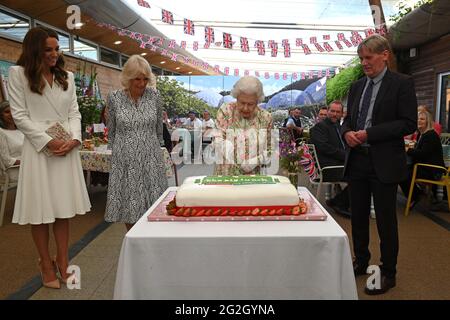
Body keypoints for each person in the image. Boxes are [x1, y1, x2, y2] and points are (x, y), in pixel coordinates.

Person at [8, 27, 91, 289]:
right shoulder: (18, 74)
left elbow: (74, 113)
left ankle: (63, 261)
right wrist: (48, 141)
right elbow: (19, 116)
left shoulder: (66, 76)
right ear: (35, 50)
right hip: (40, 150)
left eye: (57, 49)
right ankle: (45, 263)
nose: (54, 54)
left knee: (63, 210)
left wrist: (74, 139)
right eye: (48, 50)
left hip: (66, 148)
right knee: (41, 211)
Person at [342, 34, 417, 295]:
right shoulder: (356, 87)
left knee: (386, 221)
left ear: (385, 55)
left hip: (383, 162)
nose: (364, 62)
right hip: (357, 161)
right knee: (358, 217)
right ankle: (361, 261)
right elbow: (347, 121)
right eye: (361, 58)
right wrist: (347, 133)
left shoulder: (402, 84)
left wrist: (369, 135)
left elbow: (409, 123)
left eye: (369, 57)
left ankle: (388, 273)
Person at [105, 54, 168, 231]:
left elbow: (158, 128)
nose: (141, 83)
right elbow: (113, 129)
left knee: (154, 202)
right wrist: (116, 153)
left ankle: (154, 240)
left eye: (145, 79)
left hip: (150, 156)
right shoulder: (114, 98)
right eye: (136, 79)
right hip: (125, 158)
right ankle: (133, 238)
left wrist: (157, 150)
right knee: (129, 204)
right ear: (127, 78)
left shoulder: (155, 96)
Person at [214, 76, 273, 175]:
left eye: (251, 104)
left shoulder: (265, 118)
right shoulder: (226, 111)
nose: (245, 108)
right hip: (226, 175)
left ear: (258, 101)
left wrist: (256, 161)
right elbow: (218, 140)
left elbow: (271, 148)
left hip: (252, 176)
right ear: (236, 98)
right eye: (242, 103)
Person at [310, 100, 350, 216]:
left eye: (338, 112)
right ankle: (339, 202)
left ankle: (338, 200)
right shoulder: (319, 128)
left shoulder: (338, 126)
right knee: (361, 174)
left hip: (338, 164)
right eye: (332, 111)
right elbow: (325, 148)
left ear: (342, 114)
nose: (334, 114)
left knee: (365, 169)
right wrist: (347, 156)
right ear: (327, 111)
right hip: (328, 168)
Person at [399, 110, 445, 207]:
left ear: (428, 121)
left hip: (433, 171)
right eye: (418, 119)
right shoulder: (422, 134)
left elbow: (423, 154)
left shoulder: (431, 135)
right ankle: (416, 194)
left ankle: (415, 195)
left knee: (402, 174)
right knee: (402, 171)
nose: (419, 121)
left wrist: (408, 150)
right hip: (425, 167)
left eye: (422, 119)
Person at [0, 100, 24, 180]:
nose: (11, 114)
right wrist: (26, 162)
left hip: (28, 165)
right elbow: (6, 160)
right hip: (16, 169)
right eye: (7, 112)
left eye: (13, 111)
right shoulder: (1, 132)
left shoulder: (22, 130)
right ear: (1, 115)